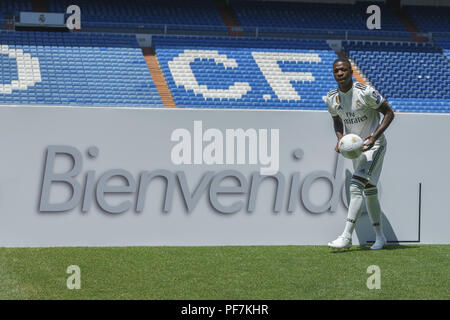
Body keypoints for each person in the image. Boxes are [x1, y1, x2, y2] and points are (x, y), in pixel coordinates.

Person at [326, 58, 395, 250]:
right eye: (336, 71)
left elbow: (389, 113)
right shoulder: (332, 98)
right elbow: (337, 121)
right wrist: (340, 138)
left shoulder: (365, 93)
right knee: (370, 190)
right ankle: (380, 237)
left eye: (343, 70)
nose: (340, 74)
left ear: (351, 71)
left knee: (356, 186)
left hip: (375, 145)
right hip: (356, 149)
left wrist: (374, 137)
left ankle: (346, 236)